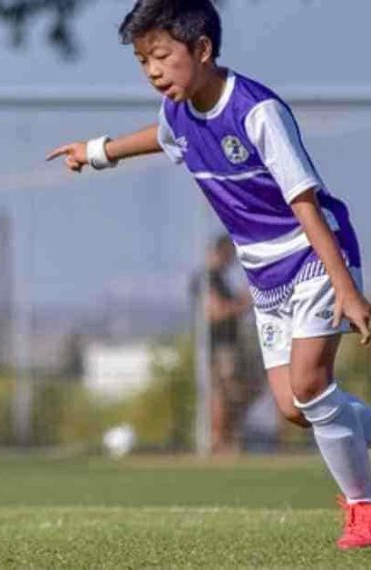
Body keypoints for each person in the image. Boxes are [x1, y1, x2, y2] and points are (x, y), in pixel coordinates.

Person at [46, 0, 371, 549]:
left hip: (314, 253)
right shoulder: (177, 112)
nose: (152, 71)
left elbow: (305, 201)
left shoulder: (255, 110)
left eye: (162, 56)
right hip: (264, 274)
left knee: (311, 385)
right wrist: (97, 151)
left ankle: (362, 509)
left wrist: (347, 288)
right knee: (296, 409)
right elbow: (162, 137)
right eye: (143, 60)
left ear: (202, 49)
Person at [195, 234, 253, 453]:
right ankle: (219, 441)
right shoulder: (207, 278)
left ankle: (226, 438)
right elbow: (215, 312)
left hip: (227, 345)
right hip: (219, 348)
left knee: (233, 392)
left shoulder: (219, 278)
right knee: (221, 393)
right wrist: (245, 303)